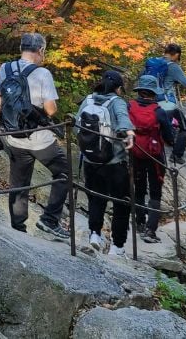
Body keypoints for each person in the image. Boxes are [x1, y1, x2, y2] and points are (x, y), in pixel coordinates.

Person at [0, 32, 70, 240]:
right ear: (40, 51)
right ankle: (50, 220)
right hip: (39, 139)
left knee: (19, 183)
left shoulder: (5, 68)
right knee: (64, 173)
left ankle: (18, 229)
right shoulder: (42, 74)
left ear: (21, 48)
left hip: (14, 136)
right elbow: (51, 110)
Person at [76, 71, 135, 256]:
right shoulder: (117, 101)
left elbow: (78, 124)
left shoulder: (88, 100)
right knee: (121, 203)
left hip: (90, 160)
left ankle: (95, 234)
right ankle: (117, 246)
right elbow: (122, 118)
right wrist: (128, 132)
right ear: (118, 88)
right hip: (114, 161)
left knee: (96, 198)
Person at [127, 76, 174, 244]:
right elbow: (169, 136)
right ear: (154, 93)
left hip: (134, 150)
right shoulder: (158, 111)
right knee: (155, 192)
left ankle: (139, 223)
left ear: (139, 91)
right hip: (154, 155)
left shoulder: (130, 106)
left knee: (138, 189)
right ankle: (150, 230)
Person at [159, 44, 186, 164]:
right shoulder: (173, 67)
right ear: (177, 55)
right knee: (185, 127)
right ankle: (176, 156)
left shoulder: (154, 62)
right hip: (166, 102)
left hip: (150, 98)